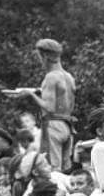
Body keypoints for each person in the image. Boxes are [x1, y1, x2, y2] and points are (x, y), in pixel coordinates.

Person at [6, 38, 77, 172]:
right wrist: (38, 91)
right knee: (66, 169)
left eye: (40, 57)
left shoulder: (50, 77)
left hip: (53, 126)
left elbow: (49, 107)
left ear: (45, 56)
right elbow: (65, 100)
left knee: (51, 169)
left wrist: (29, 94)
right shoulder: (68, 77)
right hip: (67, 125)